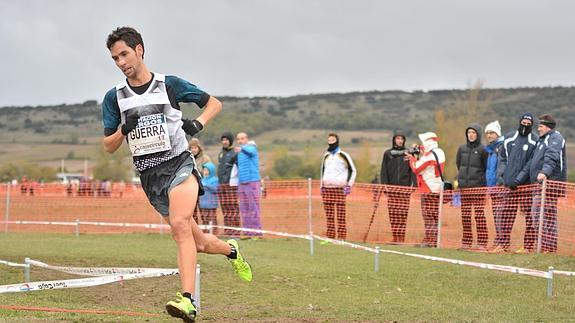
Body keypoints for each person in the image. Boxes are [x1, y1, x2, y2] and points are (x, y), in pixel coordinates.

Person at [101, 27, 252, 322]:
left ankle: (187, 301)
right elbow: (108, 146)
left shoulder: (168, 84)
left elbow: (214, 103)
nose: (121, 62)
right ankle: (231, 251)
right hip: (150, 176)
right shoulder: (114, 97)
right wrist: (123, 129)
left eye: (124, 54)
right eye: (115, 58)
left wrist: (198, 124)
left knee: (180, 225)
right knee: (199, 242)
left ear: (140, 50)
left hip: (179, 164)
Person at [515, 114, 567, 253]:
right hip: (538, 186)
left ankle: (549, 248)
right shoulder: (541, 140)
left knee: (546, 216)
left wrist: (545, 172)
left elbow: (552, 156)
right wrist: (518, 180)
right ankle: (544, 246)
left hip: (550, 184)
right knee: (537, 215)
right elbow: (531, 163)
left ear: (548, 127)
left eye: (541, 126)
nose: (538, 129)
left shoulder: (555, 138)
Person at [493, 113, 538, 253]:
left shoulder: (535, 140)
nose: (525, 125)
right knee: (505, 215)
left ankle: (528, 246)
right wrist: (501, 178)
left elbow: (531, 164)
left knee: (529, 216)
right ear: (519, 122)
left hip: (526, 186)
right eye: (523, 122)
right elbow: (502, 159)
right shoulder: (508, 138)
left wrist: (518, 180)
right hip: (508, 186)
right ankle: (503, 244)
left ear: (531, 125)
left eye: (528, 123)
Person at [406, 132, 445, 248]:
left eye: (423, 142)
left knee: (428, 216)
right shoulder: (439, 152)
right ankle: (433, 240)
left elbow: (416, 168)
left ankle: (429, 241)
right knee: (434, 216)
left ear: (428, 142)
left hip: (428, 188)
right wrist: (419, 148)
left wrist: (411, 158)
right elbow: (427, 153)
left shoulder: (429, 156)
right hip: (436, 188)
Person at [380, 130, 417, 243]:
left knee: (403, 213)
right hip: (392, 189)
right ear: (394, 140)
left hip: (404, 189)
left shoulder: (408, 153)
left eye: (402, 139)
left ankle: (401, 237)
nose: (400, 141)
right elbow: (383, 171)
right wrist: (385, 186)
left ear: (404, 141)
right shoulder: (388, 154)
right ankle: (395, 237)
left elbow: (414, 170)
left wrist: (413, 185)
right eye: (398, 138)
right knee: (393, 213)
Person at [456, 124, 488, 249]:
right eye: (469, 132)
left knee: (479, 215)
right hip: (464, 188)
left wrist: (481, 181)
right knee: (465, 216)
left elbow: (486, 168)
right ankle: (467, 242)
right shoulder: (461, 149)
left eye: (474, 133)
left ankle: (482, 242)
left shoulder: (483, 150)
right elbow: (459, 165)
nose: (471, 135)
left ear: (478, 134)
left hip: (478, 188)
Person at [320, 133, 357, 240]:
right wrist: (321, 186)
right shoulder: (326, 156)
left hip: (340, 189)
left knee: (341, 214)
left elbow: (353, 170)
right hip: (327, 189)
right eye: (329, 140)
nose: (331, 142)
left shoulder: (344, 155)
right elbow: (322, 171)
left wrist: (349, 185)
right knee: (329, 215)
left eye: (333, 140)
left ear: (337, 141)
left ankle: (341, 238)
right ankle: (330, 237)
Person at [235, 132, 262, 236]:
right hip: (242, 182)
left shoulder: (251, 148)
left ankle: (257, 232)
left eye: (242, 138)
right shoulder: (240, 152)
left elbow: (250, 152)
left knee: (254, 208)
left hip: (252, 181)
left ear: (247, 139)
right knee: (244, 208)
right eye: (238, 139)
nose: (240, 141)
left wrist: (242, 149)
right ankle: (247, 232)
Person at [484, 121, 505, 249]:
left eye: (491, 132)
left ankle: (502, 241)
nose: (489, 135)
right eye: (487, 133)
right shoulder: (491, 150)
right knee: (496, 214)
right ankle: (499, 239)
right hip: (492, 188)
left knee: (501, 215)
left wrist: (500, 182)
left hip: (499, 187)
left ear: (497, 133)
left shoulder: (501, 147)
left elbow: (502, 166)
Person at [217, 132, 241, 237]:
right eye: (223, 140)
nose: (224, 142)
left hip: (231, 186)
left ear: (230, 141)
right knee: (224, 208)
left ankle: (235, 232)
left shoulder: (235, 153)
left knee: (233, 208)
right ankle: (227, 231)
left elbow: (238, 169)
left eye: (226, 140)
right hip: (221, 185)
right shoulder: (221, 153)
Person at [199, 162, 219, 234]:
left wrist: (206, 186)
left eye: (207, 170)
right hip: (203, 203)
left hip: (211, 204)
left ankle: (214, 232)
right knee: (205, 218)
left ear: (211, 171)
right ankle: (206, 232)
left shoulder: (215, 179)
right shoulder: (202, 180)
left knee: (212, 219)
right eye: (204, 170)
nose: (205, 172)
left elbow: (216, 189)